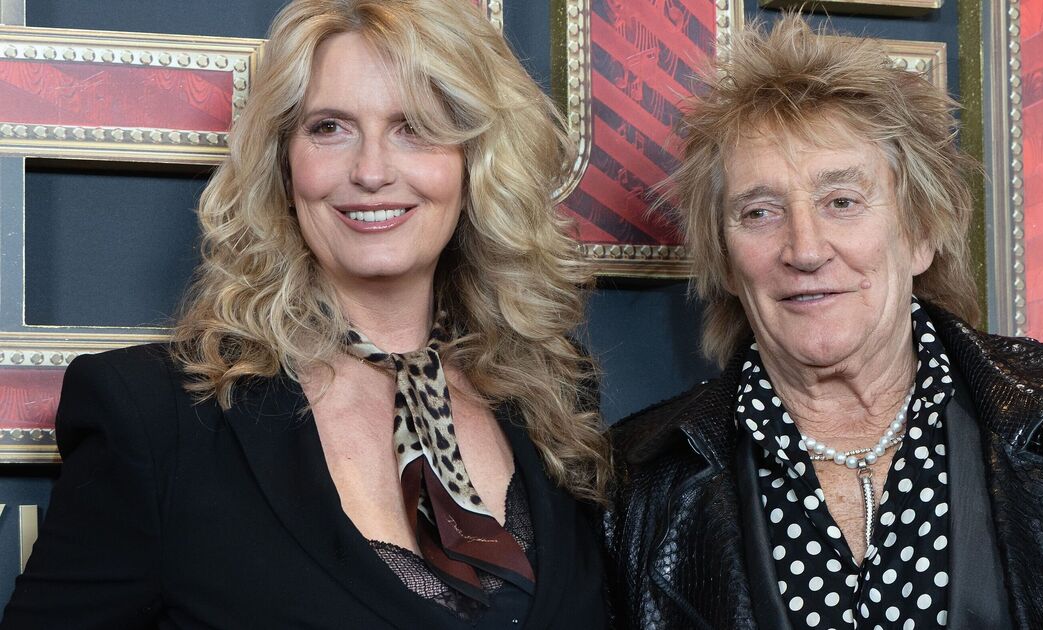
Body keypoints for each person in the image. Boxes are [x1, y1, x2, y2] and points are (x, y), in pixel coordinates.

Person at [1, 1, 609, 628]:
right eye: (330, 128)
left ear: (474, 162)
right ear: (283, 164)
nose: (371, 171)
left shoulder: (554, 395)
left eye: (415, 127)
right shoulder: (156, 420)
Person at [604, 15, 1043, 630]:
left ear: (919, 234)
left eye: (842, 201)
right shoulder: (631, 488)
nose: (805, 249)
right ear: (727, 261)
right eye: (759, 212)